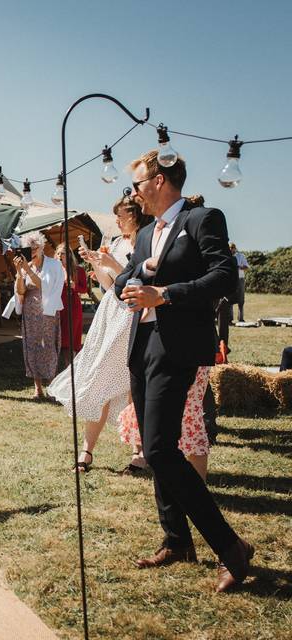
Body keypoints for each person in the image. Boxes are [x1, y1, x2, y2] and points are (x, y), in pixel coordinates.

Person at [116, 149, 252, 592]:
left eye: (138, 183)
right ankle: (176, 540)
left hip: (178, 348)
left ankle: (230, 546)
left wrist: (165, 292)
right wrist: (140, 272)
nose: (134, 192)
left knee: (158, 450)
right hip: (143, 347)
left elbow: (224, 278)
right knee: (151, 442)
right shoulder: (144, 235)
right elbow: (123, 281)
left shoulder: (202, 219)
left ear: (159, 180)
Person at [48, 196, 149, 472]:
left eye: (121, 216)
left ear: (136, 216)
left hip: (132, 315)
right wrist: (95, 263)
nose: (116, 221)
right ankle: (86, 451)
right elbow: (108, 285)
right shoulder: (117, 243)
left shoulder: (146, 243)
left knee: (132, 384)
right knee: (99, 379)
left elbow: (137, 281)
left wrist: (113, 265)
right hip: (110, 314)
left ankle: (138, 451)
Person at [13, 231, 64, 399]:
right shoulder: (25, 266)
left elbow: (46, 287)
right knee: (32, 346)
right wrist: (20, 273)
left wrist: (28, 269)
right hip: (30, 313)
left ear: (42, 247)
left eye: (35, 248)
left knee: (48, 346)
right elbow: (21, 291)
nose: (32, 251)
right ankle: (37, 387)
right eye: (29, 249)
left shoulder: (54, 265)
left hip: (48, 312)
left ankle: (52, 385)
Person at [56, 242, 88, 361]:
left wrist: (75, 286)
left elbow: (84, 289)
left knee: (70, 340)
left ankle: (71, 368)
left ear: (69, 255)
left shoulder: (78, 270)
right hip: (58, 307)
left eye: (63, 253)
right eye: (58, 253)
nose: (60, 256)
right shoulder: (53, 270)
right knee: (59, 338)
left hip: (72, 307)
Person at [230, 243, 249, 322]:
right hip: (230, 279)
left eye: (232, 248)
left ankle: (240, 318)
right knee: (229, 299)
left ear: (235, 248)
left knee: (241, 299)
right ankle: (229, 319)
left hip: (240, 279)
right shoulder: (226, 256)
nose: (231, 249)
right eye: (230, 248)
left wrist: (239, 267)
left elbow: (246, 267)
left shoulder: (241, 256)